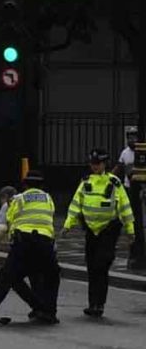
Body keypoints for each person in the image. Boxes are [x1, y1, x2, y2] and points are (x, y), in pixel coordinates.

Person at [0, 170, 60, 325]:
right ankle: (48, 312)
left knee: (6, 278)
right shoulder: (48, 199)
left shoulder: (18, 199)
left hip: (23, 242)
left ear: (25, 185)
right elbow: (48, 221)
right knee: (52, 276)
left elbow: (6, 224)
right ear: (42, 186)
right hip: (45, 243)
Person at [63, 148, 136, 317]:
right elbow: (76, 204)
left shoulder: (114, 182)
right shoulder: (86, 181)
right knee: (91, 266)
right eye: (93, 163)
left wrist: (130, 230)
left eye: (98, 163)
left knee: (101, 265)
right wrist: (68, 225)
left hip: (108, 230)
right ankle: (92, 303)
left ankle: (99, 303)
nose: (95, 166)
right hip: (91, 230)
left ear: (104, 164)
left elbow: (124, 206)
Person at [116, 129, 145, 268]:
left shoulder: (141, 151)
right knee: (131, 222)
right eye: (129, 138)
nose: (132, 140)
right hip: (129, 189)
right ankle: (134, 253)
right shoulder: (125, 153)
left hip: (140, 188)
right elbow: (122, 169)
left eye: (134, 137)